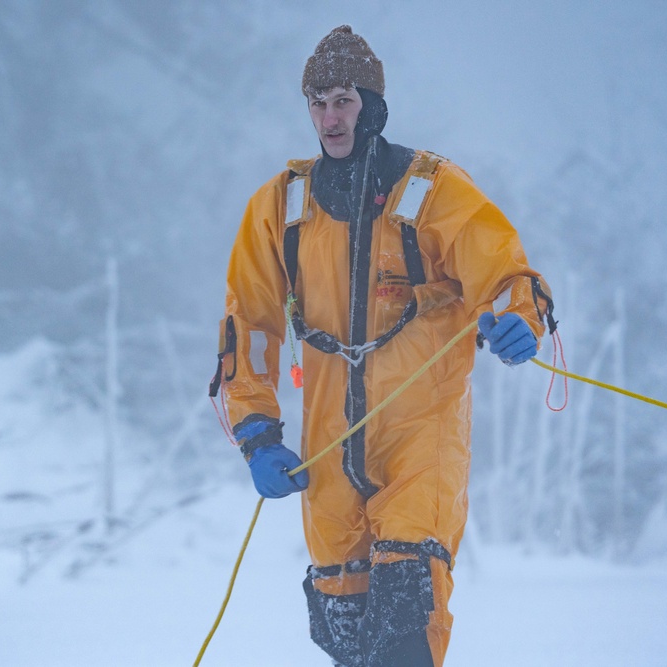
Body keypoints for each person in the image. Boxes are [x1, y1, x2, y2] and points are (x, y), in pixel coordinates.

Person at [210, 25, 554, 667]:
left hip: (420, 441)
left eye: (342, 99)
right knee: (347, 639)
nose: (329, 117)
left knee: (406, 626)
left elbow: (505, 275)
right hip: (326, 453)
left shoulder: (433, 192)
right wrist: (257, 431)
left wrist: (518, 319)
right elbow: (248, 327)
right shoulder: (278, 208)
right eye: (317, 102)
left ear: (372, 103)